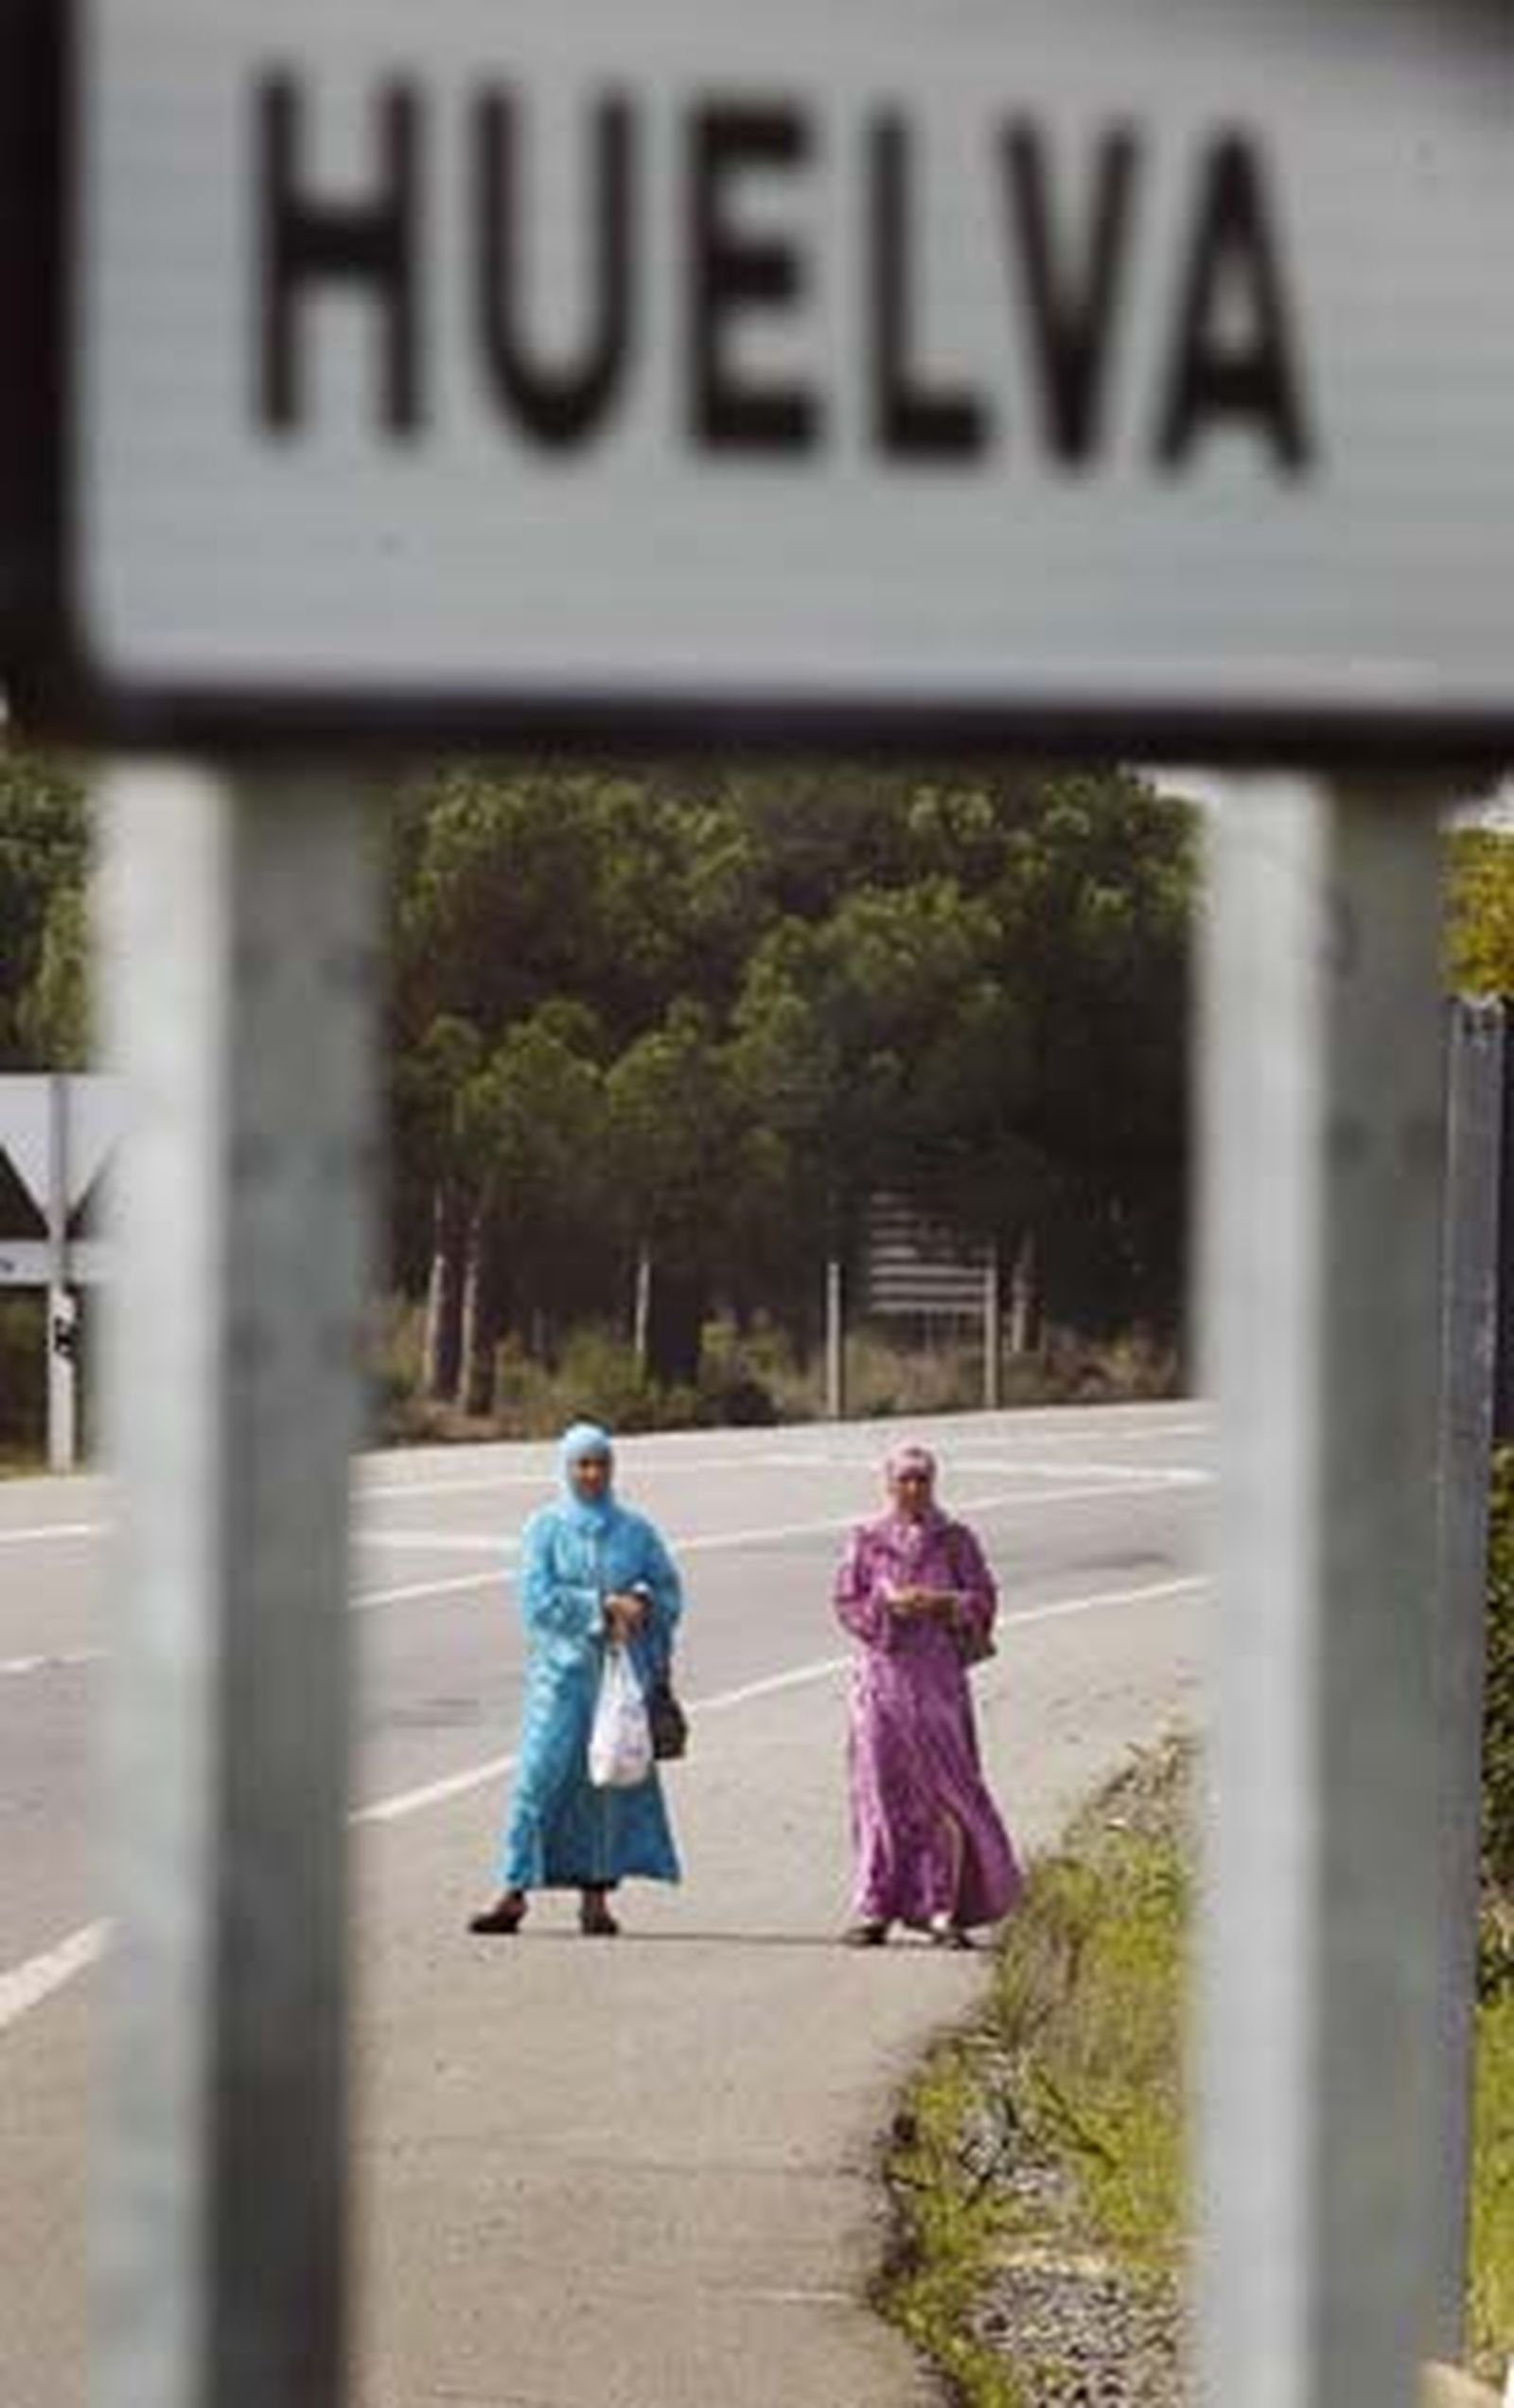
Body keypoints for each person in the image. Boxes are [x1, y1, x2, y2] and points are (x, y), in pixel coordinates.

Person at [469, 1421, 683, 1939]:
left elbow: (668, 1589)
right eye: (582, 1464)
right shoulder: (546, 1528)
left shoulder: (635, 1531)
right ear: (565, 1469)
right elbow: (535, 1601)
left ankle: (596, 1900)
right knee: (538, 1779)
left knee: (607, 1782)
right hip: (560, 1682)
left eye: (600, 1464)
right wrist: (597, 1607)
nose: (592, 1474)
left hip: (617, 1683)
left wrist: (642, 1604)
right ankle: (514, 1890)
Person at [834, 1442, 1020, 1947]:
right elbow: (846, 1602)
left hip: (937, 1685)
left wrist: (943, 1603)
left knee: (946, 1794)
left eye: (922, 1480)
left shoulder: (955, 1541)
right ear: (888, 1484)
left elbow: (983, 1600)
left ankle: (943, 1908)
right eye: (904, 1480)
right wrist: (888, 1606)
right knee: (880, 1792)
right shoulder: (867, 1540)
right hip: (882, 1685)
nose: (913, 1489)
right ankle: (877, 1906)